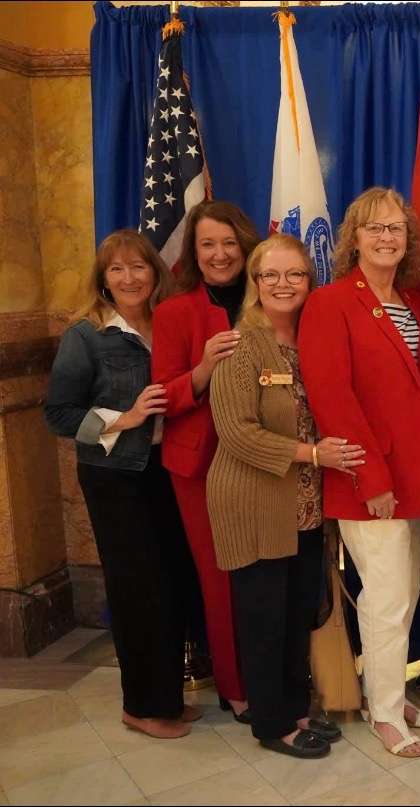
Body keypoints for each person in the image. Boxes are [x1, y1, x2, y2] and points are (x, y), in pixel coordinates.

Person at [298, 187, 420, 759]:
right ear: (353, 238)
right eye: (374, 227)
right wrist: (371, 479)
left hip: (416, 479)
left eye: (395, 228)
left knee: (404, 596)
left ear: (408, 239)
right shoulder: (330, 303)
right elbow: (333, 398)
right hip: (369, 483)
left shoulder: (413, 302)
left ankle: (392, 693)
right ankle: (384, 715)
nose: (386, 237)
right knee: (385, 599)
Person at [207, 234, 357, 758]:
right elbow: (237, 432)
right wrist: (312, 454)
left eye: (294, 274)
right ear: (255, 282)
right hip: (254, 503)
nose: (283, 284)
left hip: (307, 508)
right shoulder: (240, 344)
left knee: (296, 616)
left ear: (309, 281)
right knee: (265, 620)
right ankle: (273, 724)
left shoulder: (311, 339)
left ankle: (296, 708)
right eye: (270, 274)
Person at [45, 230, 198, 738]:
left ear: (155, 272)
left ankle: (168, 697)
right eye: (117, 269)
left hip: (165, 469)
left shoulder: (167, 323)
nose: (129, 278)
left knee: (172, 583)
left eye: (138, 266)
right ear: (103, 279)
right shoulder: (86, 335)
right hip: (115, 477)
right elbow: (58, 414)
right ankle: (142, 706)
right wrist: (125, 418)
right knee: (138, 590)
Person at [152, 201, 259, 720]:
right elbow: (164, 397)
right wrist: (203, 368)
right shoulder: (175, 311)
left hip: (268, 459)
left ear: (245, 247)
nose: (220, 254)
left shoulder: (271, 302)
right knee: (221, 582)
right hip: (201, 466)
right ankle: (236, 689)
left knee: (267, 577)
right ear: (193, 253)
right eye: (208, 244)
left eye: (229, 243)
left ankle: (274, 676)